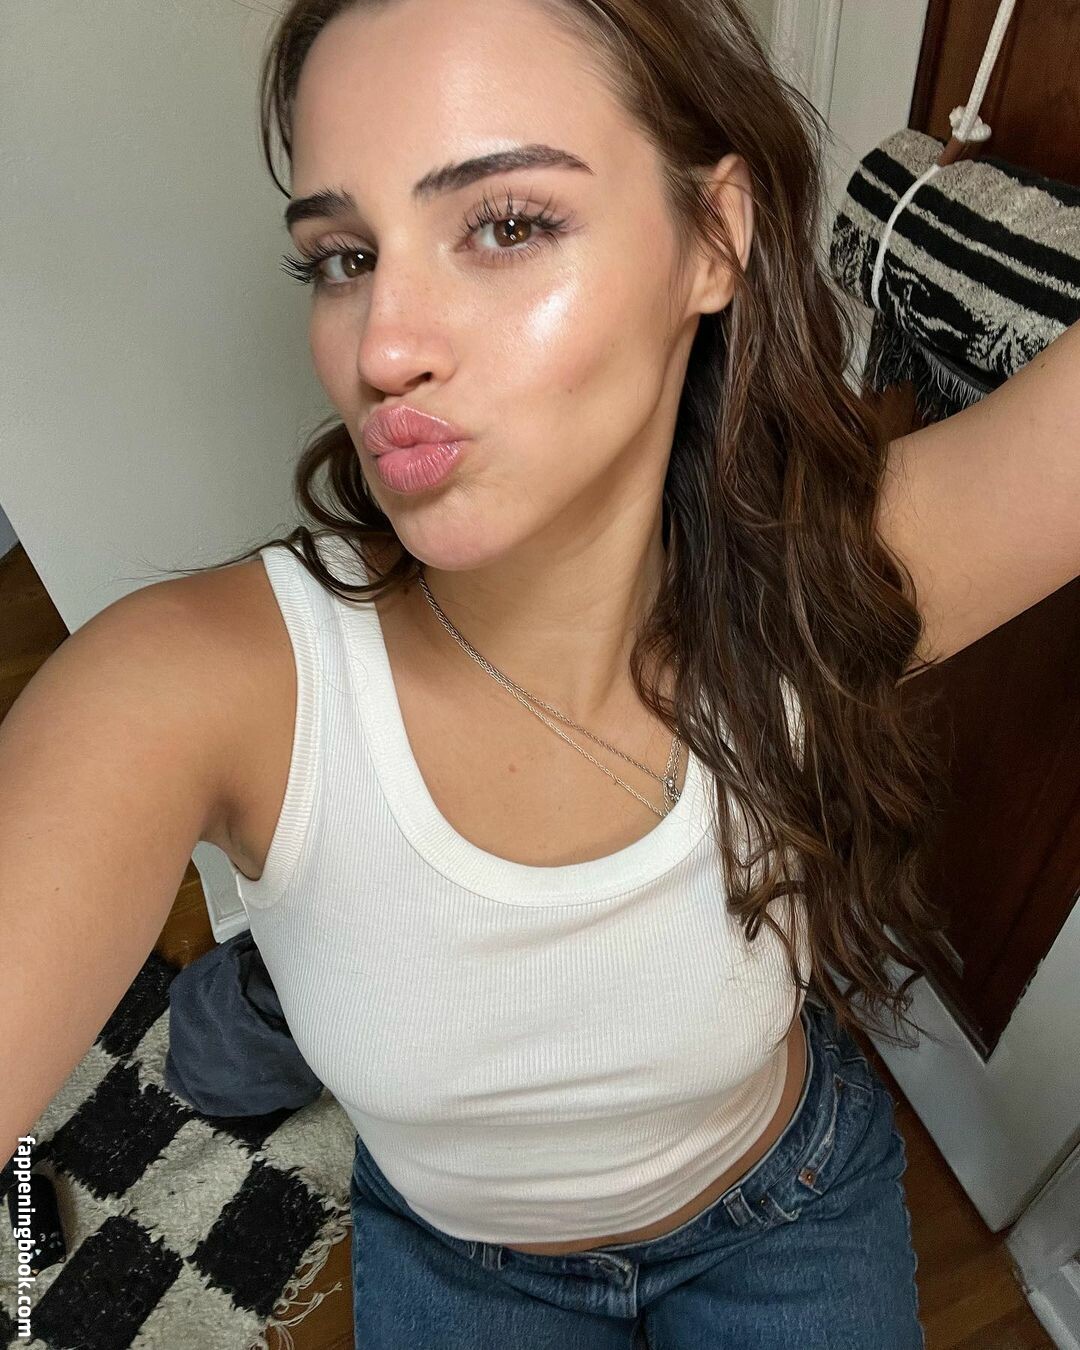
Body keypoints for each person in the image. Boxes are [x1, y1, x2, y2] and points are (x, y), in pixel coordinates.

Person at [3, 0, 1078, 1345]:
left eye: (506, 223)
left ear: (715, 237)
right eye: (343, 256)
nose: (382, 345)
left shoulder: (823, 582)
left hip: (786, 1206)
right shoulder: (201, 684)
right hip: (464, 1261)